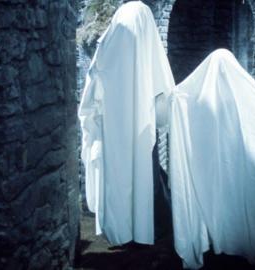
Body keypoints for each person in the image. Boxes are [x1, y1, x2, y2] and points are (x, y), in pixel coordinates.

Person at [168, 49, 255, 268]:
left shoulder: (202, 99)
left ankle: (222, 242)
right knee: (234, 201)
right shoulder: (239, 96)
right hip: (232, 167)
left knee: (219, 203)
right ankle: (233, 241)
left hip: (215, 171)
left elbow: (185, 100)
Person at [78, 1, 175, 246]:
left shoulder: (116, 34)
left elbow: (96, 74)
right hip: (138, 122)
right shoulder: (141, 32)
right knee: (143, 173)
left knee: (126, 176)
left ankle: (131, 227)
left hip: (117, 123)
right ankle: (147, 226)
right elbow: (161, 85)